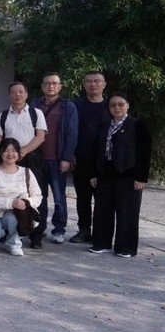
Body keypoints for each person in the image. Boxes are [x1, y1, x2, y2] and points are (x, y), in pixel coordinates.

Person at [89, 92, 151, 257]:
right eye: (113, 105)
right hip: (105, 175)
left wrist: (141, 178)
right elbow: (96, 151)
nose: (117, 108)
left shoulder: (137, 125)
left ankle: (125, 247)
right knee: (102, 211)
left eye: (121, 104)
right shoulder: (104, 125)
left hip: (129, 175)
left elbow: (145, 153)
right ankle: (101, 243)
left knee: (127, 213)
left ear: (127, 105)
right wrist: (94, 174)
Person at [0, 81, 47, 248]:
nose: (17, 95)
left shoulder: (36, 113)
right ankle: (11, 231)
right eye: (14, 92)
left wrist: (23, 151)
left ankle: (36, 235)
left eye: (20, 92)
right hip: (9, 159)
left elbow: (40, 136)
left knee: (35, 194)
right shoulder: (3, 115)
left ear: (26, 94)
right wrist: (7, 154)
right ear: (9, 95)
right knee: (9, 194)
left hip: (30, 158)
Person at [31, 72, 78, 245]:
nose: (51, 86)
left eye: (55, 83)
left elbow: (72, 133)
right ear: (42, 86)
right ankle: (40, 227)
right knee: (39, 196)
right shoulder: (35, 105)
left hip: (57, 159)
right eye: (47, 83)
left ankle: (59, 229)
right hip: (37, 159)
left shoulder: (68, 107)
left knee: (59, 197)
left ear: (60, 86)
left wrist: (66, 158)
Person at [0, 138, 42, 257]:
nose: (10, 154)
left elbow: (37, 196)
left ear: (18, 153)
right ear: (0, 153)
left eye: (14, 150)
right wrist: (11, 203)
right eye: (6, 150)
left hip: (15, 213)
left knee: (21, 217)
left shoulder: (26, 172)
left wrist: (26, 202)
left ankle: (14, 244)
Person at [70, 71, 110, 244]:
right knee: (83, 197)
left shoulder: (111, 105)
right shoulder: (75, 105)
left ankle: (101, 233)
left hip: (105, 160)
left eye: (97, 81)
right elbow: (69, 131)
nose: (93, 84)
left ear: (104, 84)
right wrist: (69, 153)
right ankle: (84, 229)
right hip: (81, 159)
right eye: (89, 81)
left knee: (103, 199)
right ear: (84, 85)